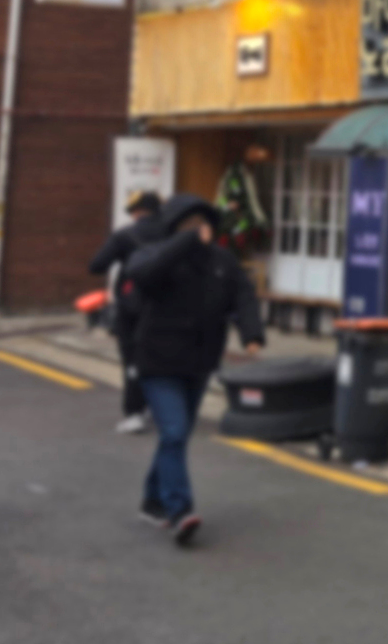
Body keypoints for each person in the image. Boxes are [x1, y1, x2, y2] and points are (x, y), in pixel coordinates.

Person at [124, 193, 265, 545]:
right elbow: (141, 274)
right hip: (158, 361)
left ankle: (153, 501)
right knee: (173, 432)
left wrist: (251, 332)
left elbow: (243, 294)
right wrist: (185, 241)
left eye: (202, 223)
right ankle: (179, 511)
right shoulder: (154, 254)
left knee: (176, 435)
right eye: (189, 224)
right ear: (173, 228)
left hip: (199, 361)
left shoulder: (221, 261)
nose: (199, 229)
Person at [88, 190, 164, 434]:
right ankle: (159, 406)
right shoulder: (174, 234)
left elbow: (97, 266)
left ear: (136, 212)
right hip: (167, 307)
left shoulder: (125, 235)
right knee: (161, 358)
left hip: (133, 308)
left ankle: (135, 412)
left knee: (132, 359)